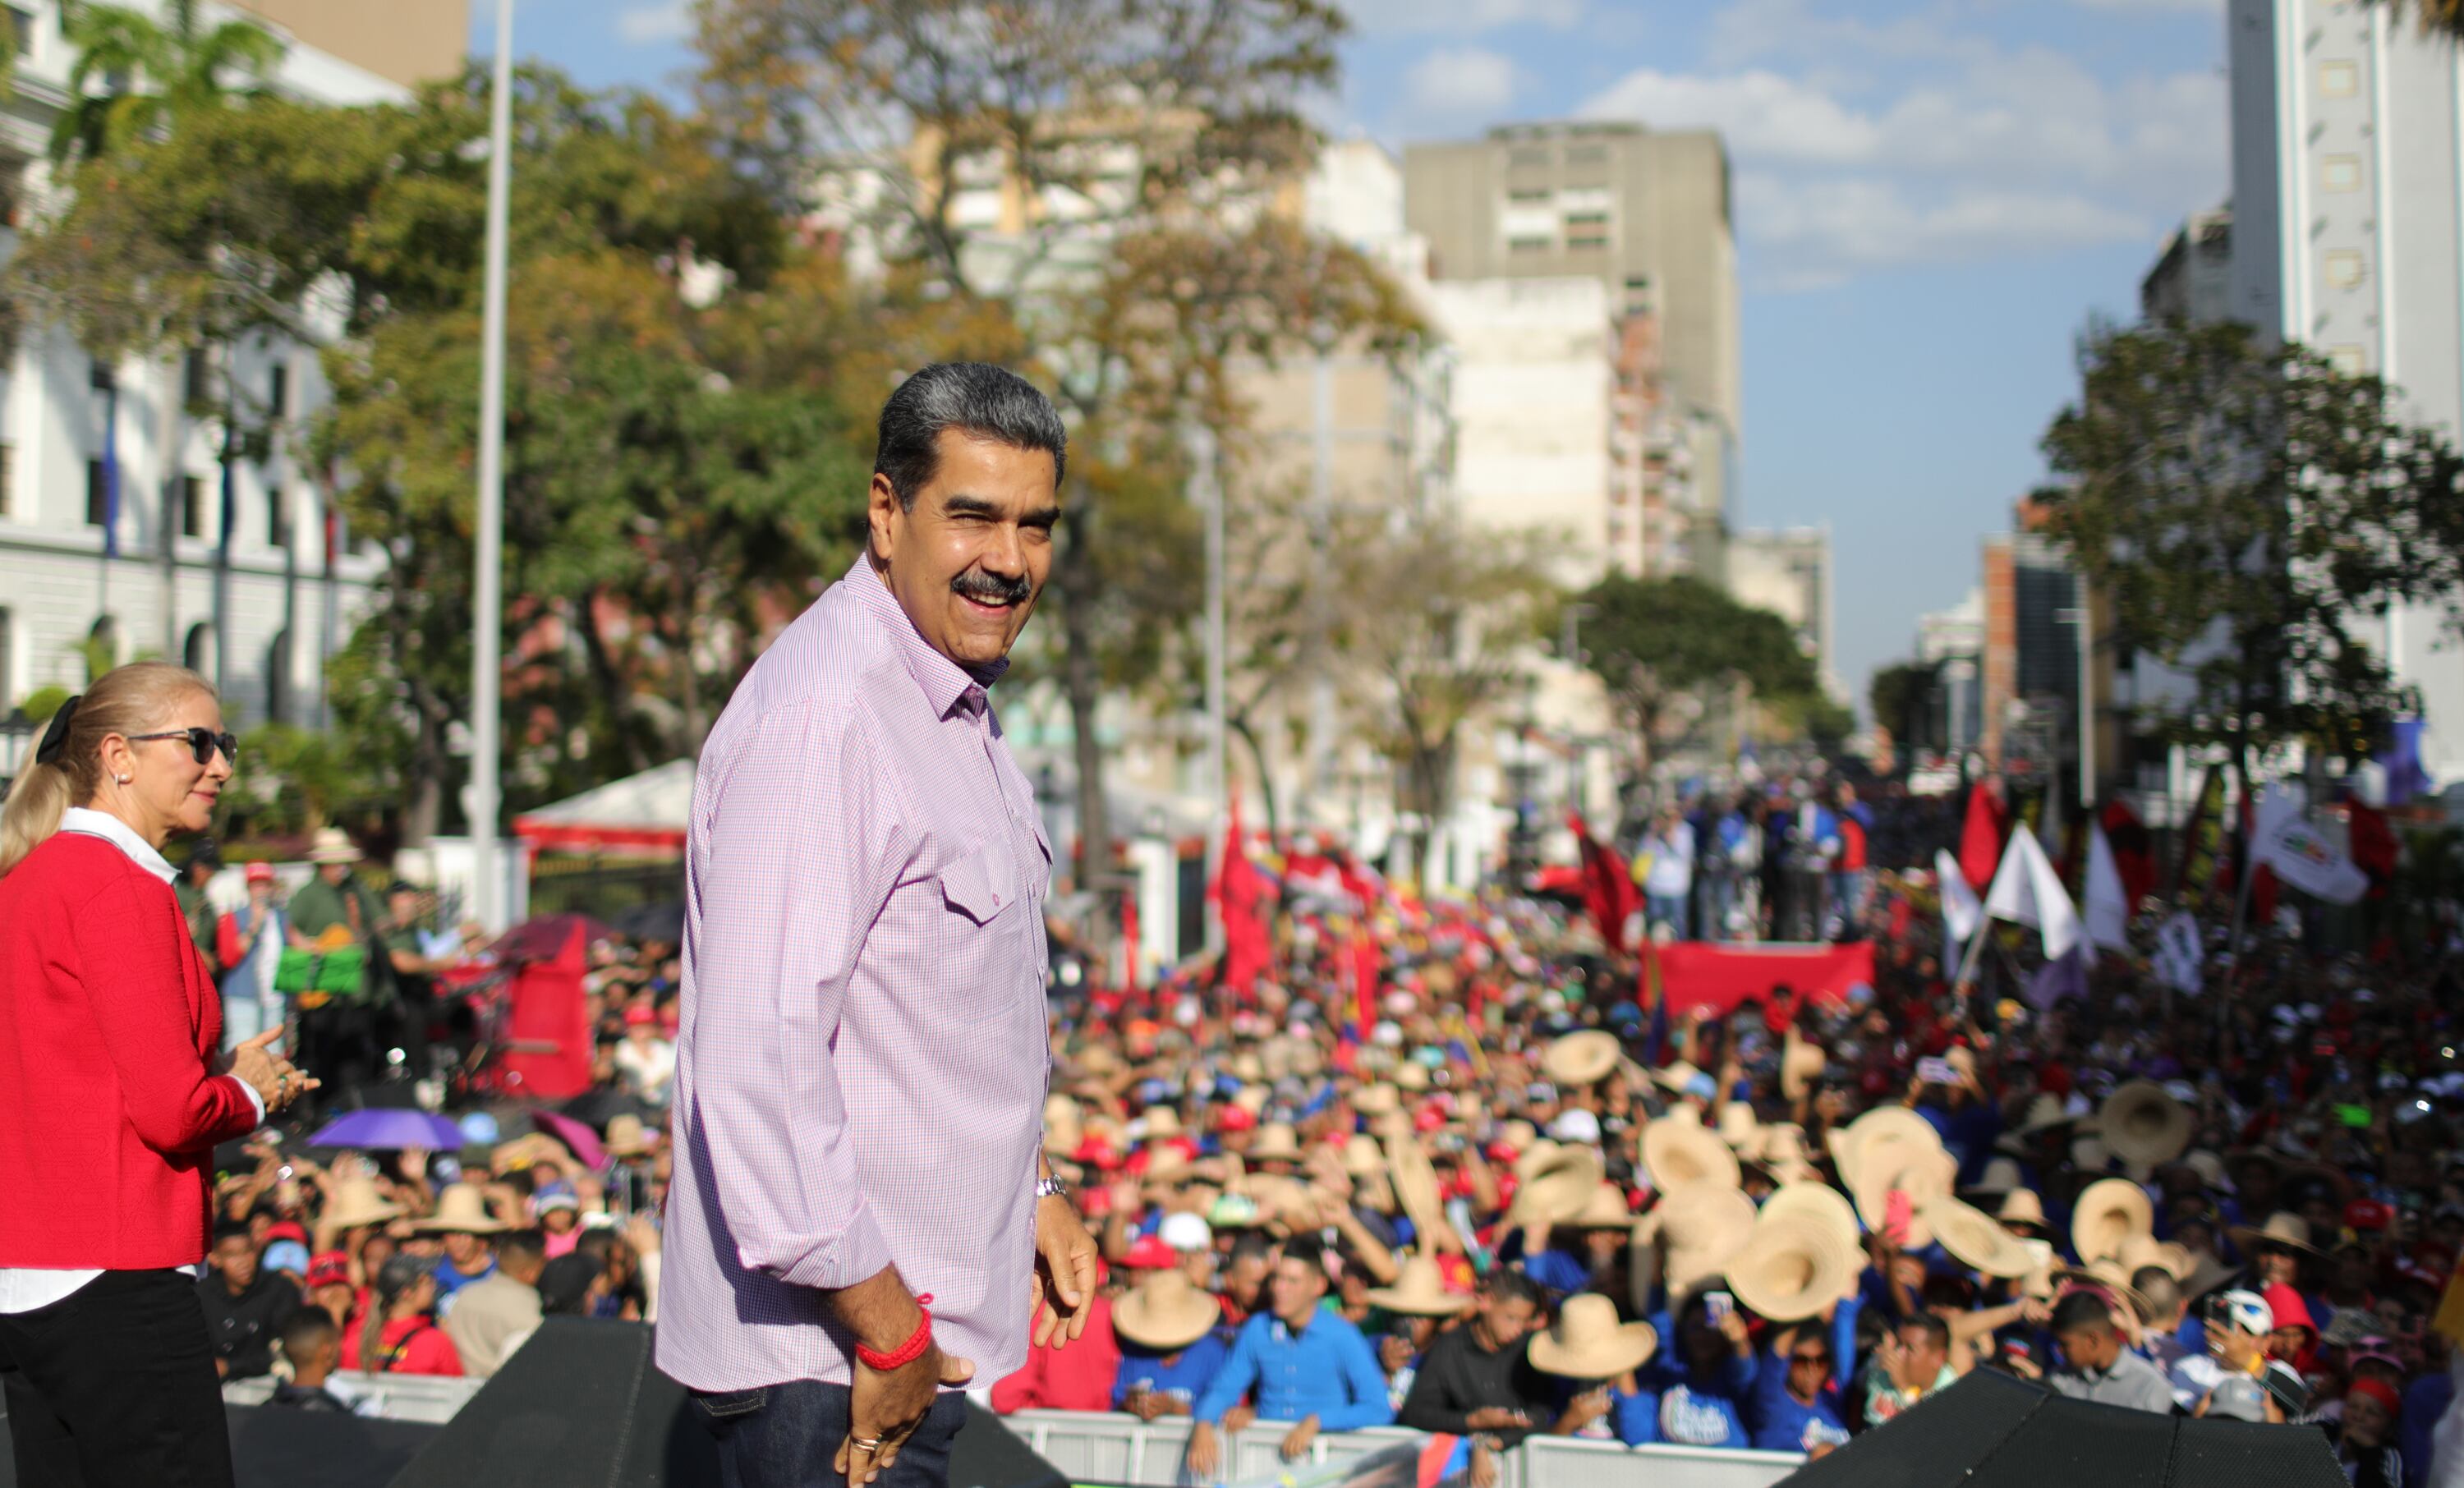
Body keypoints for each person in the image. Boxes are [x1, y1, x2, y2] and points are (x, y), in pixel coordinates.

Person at [659, 365, 1099, 1488]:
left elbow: (941, 1018)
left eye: (1034, 525)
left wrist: (1031, 1196)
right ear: (887, 511)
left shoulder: (947, 700)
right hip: (831, 1367)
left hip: (897, 1345)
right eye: (973, 517)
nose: (1009, 557)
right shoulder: (830, 714)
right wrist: (888, 1329)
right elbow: (758, 1057)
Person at [0, 664, 311, 1488]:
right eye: (199, 742)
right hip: (117, 1270)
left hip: (30, 1278)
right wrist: (252, 1090)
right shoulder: (117, 888)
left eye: (225, 743)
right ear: (118, 755)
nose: (221, 766)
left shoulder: (29, 882)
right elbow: (172, 1112)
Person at [1188, 1241, 1395, 1477]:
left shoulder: (1343, 1336)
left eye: (1292, 1281)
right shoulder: (1258, 1328)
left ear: (1318, 1286)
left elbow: (1379, 1408)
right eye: (1277, 1279)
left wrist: (1317, 1421)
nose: (1279, 1288)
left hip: (1324, 1467)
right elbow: (1225, 1387)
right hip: (1262, 1463)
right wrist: (1203, 1425)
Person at [286, 828, 391, 1097]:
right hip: (321, 987)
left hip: (356, 987)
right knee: (319, 1049)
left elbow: (379, 921)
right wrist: (311, 945)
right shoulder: (309, 893)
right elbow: (288, 926)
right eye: (336, 863)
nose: (341, 869)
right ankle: (317, 1105)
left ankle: (351, 1103)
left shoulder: (356, 889)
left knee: (354, 1050)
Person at [1397, 1270, 1548, 1442]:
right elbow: (1416, 1414)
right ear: (1486, 1302)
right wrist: (1472, 1421)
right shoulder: (1450, 1348)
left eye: (1524, 1321)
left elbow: (1542, 1416)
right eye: (1511, 1318)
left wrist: (1495, 1443)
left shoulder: (1528, 1351)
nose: (1518, 1330)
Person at [198, 1220, 301, 1381]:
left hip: (264, 1382)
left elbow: (284, 1349)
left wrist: (231, 1366)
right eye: (232, 1255)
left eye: (248, 1252)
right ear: (215, 1259)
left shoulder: (280, 1289)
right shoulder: (203, 1293)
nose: (243, 1263)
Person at [2048, 1288, 2176, 1414]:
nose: (2059, 1350)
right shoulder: (2061, 1379)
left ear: (2093, 1340)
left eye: (2065, 1344)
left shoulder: (2150, 1387)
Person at [444, 1228, 547, 1379]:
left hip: (461, 1390)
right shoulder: (530, 1308)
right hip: (503, 1392)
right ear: (530, 1271)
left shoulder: (465, 1295)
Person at [346, 1253, 463, 1377]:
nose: (434, 1286)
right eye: (428, 1282)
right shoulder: (436, 1342)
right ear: (407, 1293)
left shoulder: (356, 1337)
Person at [1752, 1320, 1853, 1454]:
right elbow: (1776, 1359)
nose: (1812, 1369)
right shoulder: (1773, 1404)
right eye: (1801, 1361)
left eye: (1821, 1360)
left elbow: (1844, 1334)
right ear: (1787, 1363)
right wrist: (1796, 1312)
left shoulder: (1832, 1402)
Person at [219, 861, 286, 1050]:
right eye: (256, 886)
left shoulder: (280, 917)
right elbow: (228, 958)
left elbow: (297, 943)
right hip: (243, 996)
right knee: (243, 1049)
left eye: (265, 885)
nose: (261, 891)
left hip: (274, 997)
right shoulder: (233, 917)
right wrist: (254, 926)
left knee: (274, 1053)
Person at [1864, 1313, 1957, 1426]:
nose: (1899, 1353)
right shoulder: (1883, 1371)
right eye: (1898, 1344)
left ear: (1939, 1358)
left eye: (1910, 1348)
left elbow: (1932, 1431)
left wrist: (1906, 1388)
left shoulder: (1951, 1391)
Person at [269, 1308, 359, 1413]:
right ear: (328, 1352)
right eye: (337, 1342)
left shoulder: (263, 1412)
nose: (341, 1349)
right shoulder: (338, 1418)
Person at [1638, 806, 1696, 941]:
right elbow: (1643, 853)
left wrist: (1671, 836)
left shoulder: (1685, 831)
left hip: (1676, 887)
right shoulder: (1653, 832)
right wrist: (1653, 834)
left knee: (1678, 925)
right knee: (1654, 923)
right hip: (1655, 885)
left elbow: (1684, 853)